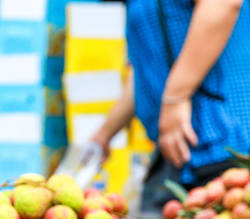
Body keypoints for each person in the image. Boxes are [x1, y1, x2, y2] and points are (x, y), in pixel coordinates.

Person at [91, 0, 249, 193]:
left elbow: (222, 3)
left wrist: (176, 97)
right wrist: (103, 135)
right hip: (181, 156)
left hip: (229, 144)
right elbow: (148, 74)